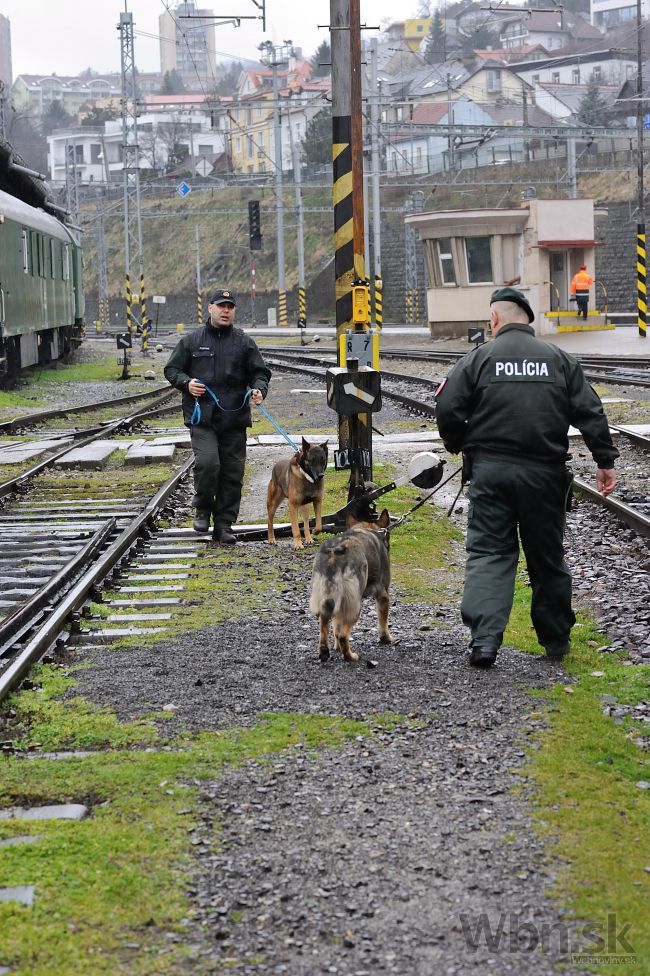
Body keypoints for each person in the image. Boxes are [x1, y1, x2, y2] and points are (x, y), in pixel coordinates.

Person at [434, 286, 618, 668]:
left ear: (496, 319)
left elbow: (448, 406)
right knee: (547, 557)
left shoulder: (480, 358)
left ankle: (484, 642)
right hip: (544, 476)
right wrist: (604, 460)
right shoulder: (559, 360)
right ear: (526, 320)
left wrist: (458, 444)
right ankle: (556, 642)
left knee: (489, 553)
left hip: (491, 474)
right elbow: (590, 411)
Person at [164, 288, 271, 543]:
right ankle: (202, 509)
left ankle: (224, 525)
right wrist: (186, 383)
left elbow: (261, 372)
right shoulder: (191, 341)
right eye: (221, 306)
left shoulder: (244, 342)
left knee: (233, 473)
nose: (226, 310)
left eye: (230, 306)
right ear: (210, 308)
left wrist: (259, 389)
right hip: (203, 418)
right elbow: (172, 369)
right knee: (209, 463)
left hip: (234, 419)